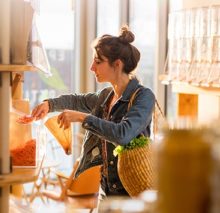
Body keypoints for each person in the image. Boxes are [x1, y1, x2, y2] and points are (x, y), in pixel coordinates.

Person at [30, 26, 155, 199]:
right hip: (106, 191)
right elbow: (77, 100)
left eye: (98, 61)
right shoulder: (106, 96)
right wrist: (49, 105)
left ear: (117, 64)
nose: (91, 67)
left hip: (133, 195)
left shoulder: (144, 97)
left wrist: (82, 117)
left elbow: (123, 134)